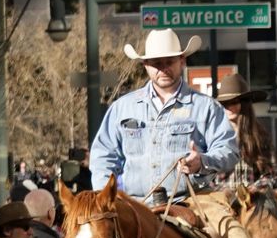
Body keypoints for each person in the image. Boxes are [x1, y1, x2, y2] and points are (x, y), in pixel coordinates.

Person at [90, 29, 238, 203]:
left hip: (190, 201)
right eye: (156, 63)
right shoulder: (122, 108)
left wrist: (201, 162)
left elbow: (229, 151)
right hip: (135, 205)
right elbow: (103, 156)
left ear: (182, 61)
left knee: (232, 230)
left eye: (169, 61)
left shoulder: (206, 107)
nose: (163, 69)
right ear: (145, 65)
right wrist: (104, 197)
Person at [212, 72, 277, 189]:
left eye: (233, 102)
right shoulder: (212, 137)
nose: (229, 107)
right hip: (222, 202)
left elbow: (271, 176)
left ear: (244, 104)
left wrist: (252, 190)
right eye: (224, 103)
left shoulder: (260, 137)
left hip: (251, 203)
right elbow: (206, 178)